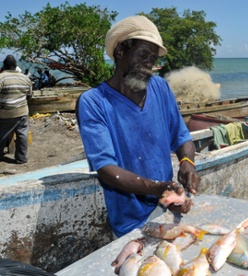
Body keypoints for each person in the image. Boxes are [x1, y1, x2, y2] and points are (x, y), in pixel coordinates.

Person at [76, 15, 201, 238]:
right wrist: (156, 188)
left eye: (153, 58)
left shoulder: (160, 88)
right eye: (143, 54)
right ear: (120, 52)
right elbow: (106, 168)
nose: (149, 64)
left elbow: (182, 137)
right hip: (129, 223)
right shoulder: (94, 102)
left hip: (167, 208)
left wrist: (187, 163)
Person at [0, 55, 33, 164]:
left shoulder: (1, 78)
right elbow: (29, 95)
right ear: (15, 66)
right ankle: (21, 158)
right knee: (22, 134)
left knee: (2, 134)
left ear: (4, 66)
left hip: (5, 112)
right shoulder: (25, 78)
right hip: (22, 111)